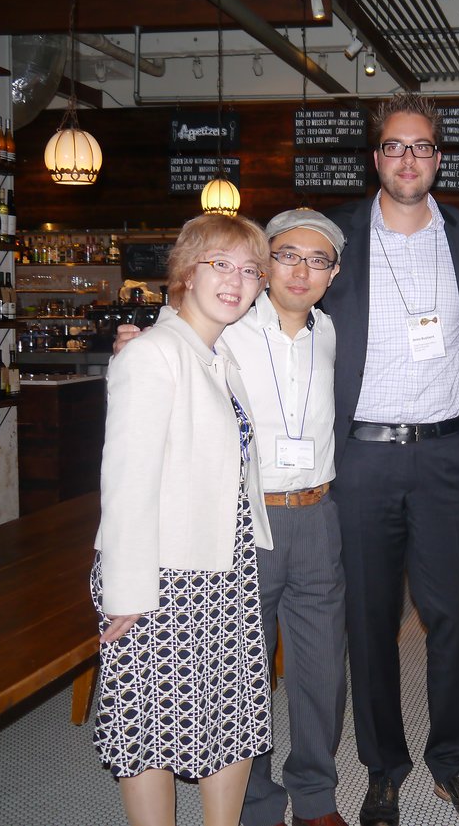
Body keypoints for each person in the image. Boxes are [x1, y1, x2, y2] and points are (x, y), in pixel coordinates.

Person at [116, 209, 351, 826]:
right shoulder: (227, 327)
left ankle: (318, 798)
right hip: (243, 521)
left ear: (333, 274)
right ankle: (257, 804)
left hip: (317, 514)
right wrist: (134, 339)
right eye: (285, 255)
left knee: (321, 669)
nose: (301, 270)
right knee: (240, 679)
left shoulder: (330, 332)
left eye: (318, 259)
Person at [322, 92, 459, 826]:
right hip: (362, 456)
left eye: (421, 147)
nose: (408, 159)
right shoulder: (335, 239)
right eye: (395, 146)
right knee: (369, 622)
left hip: (446, 455)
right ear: (376, 157)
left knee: (455, 615)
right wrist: (163, 322)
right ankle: (384, 767)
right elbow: (252, 293)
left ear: (438, 158)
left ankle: (452, 761)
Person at [93, 213, 274, 826]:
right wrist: (124, 589)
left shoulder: (218, 356)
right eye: (221, 264)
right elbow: (126, 480)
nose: (238, 280)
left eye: (251, 270)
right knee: (149, 727)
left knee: (233, 714)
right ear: (185, 271)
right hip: (162, 575)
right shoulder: (153, 355)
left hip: (225, 567)